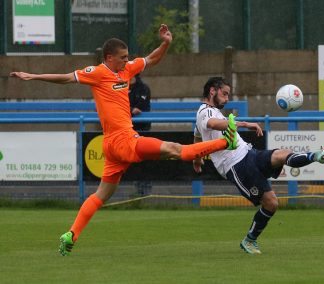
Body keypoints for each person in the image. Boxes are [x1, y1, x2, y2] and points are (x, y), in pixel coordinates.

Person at [10, 25, 238, 256]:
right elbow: (67, 78)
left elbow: (151, 59)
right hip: (122, 140)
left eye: (127, 57)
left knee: (101, 195)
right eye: (122, 57)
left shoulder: (127, 70)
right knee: (176, 150)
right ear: (109, 58)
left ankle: (71, 235)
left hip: (112, 145)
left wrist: (166, 43)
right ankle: (225, 142)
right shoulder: (98, 72)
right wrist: (33, 76)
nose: (127, 61)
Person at [193, 77, 324, 255]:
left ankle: (318, 155)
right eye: (224, 94)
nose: (226, 99)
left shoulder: (209, 112)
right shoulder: (206, 112)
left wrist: (196, 158)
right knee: (271, 203)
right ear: (212, 91)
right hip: (235, 166)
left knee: (281, 154)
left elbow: (197, 134)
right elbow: (212, 124)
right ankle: (249, 240)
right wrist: (243, 123)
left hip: (248, 153)